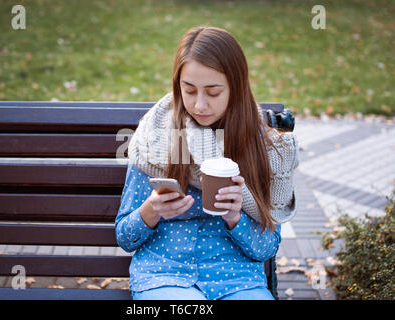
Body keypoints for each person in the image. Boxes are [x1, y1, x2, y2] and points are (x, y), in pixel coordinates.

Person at [115, 25, 299, 300]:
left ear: (236, 88)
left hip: (238, 282)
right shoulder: (158, 139)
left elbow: (267, 248)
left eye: (212, 93)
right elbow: (124, 237)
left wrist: (235, 217)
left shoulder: (261, 146)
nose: (199, 105)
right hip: (165, 277)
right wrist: (150, 211)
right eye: (189, 90)